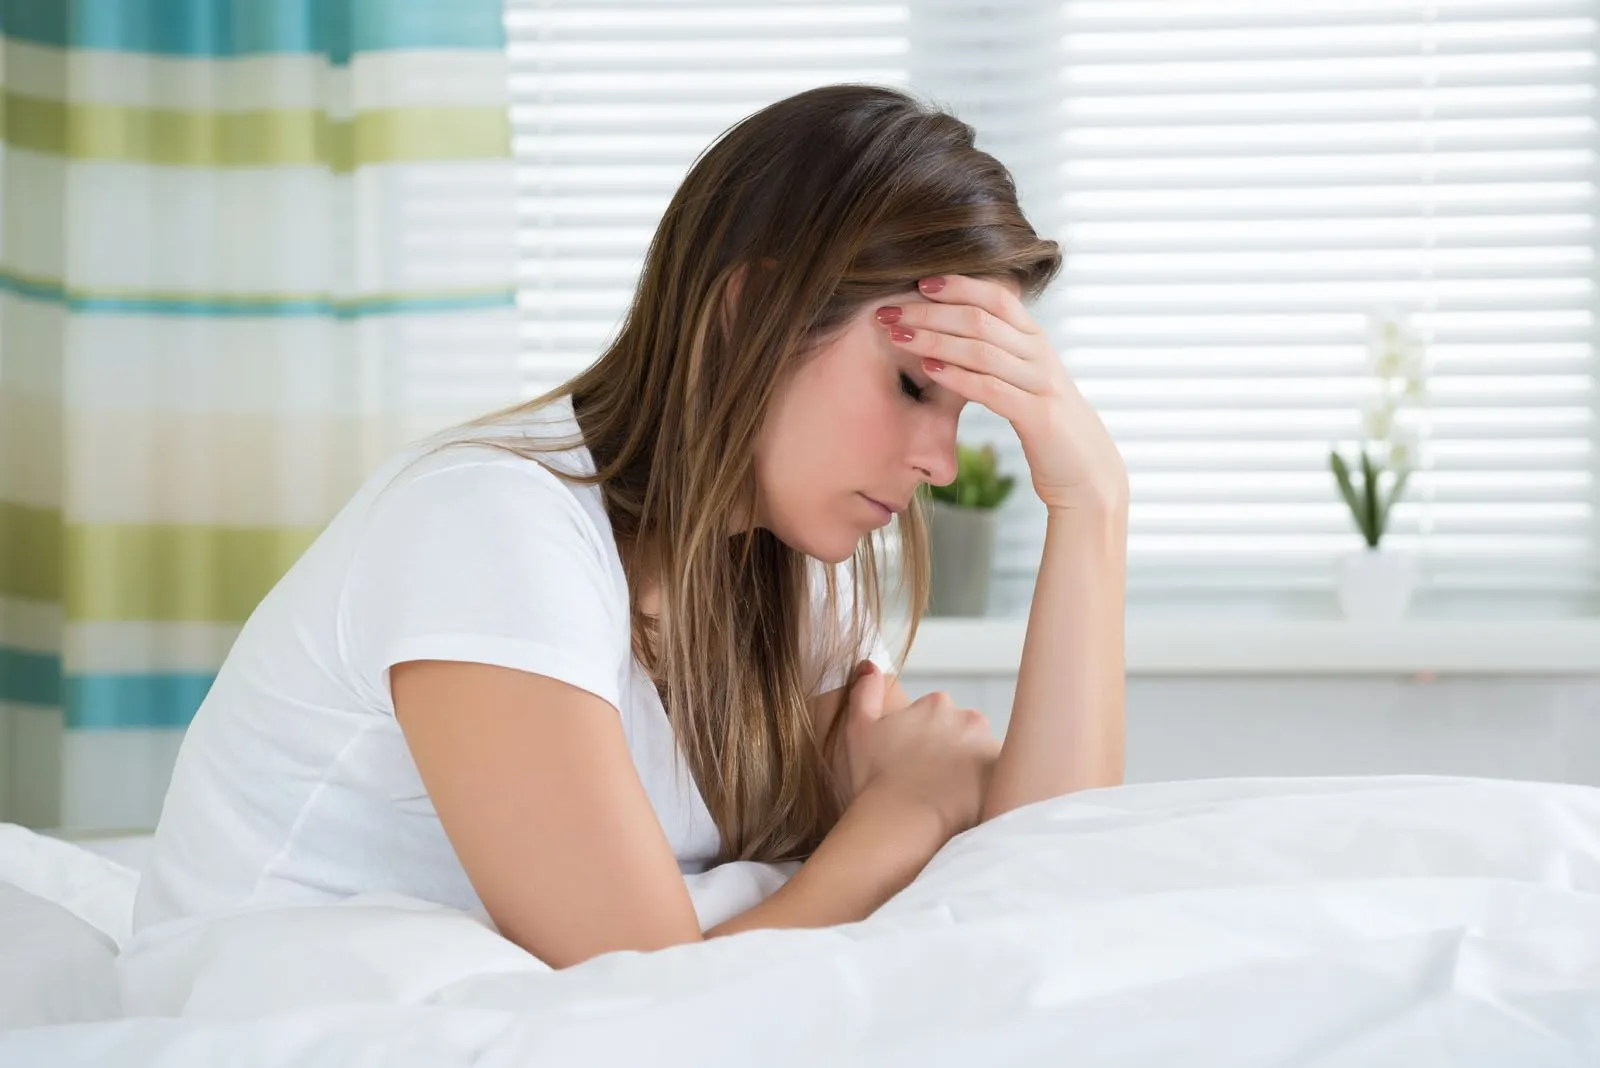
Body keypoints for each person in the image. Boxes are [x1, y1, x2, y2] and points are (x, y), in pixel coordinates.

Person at [130, 84, 1129, 970]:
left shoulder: (782, 562)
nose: (939, 463)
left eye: (961, 410)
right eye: (914, 384)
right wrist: (904, 814)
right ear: (746, 316)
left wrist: (1091, 505)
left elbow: (1039, 865)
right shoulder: (486, 529)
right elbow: (644, 1001)